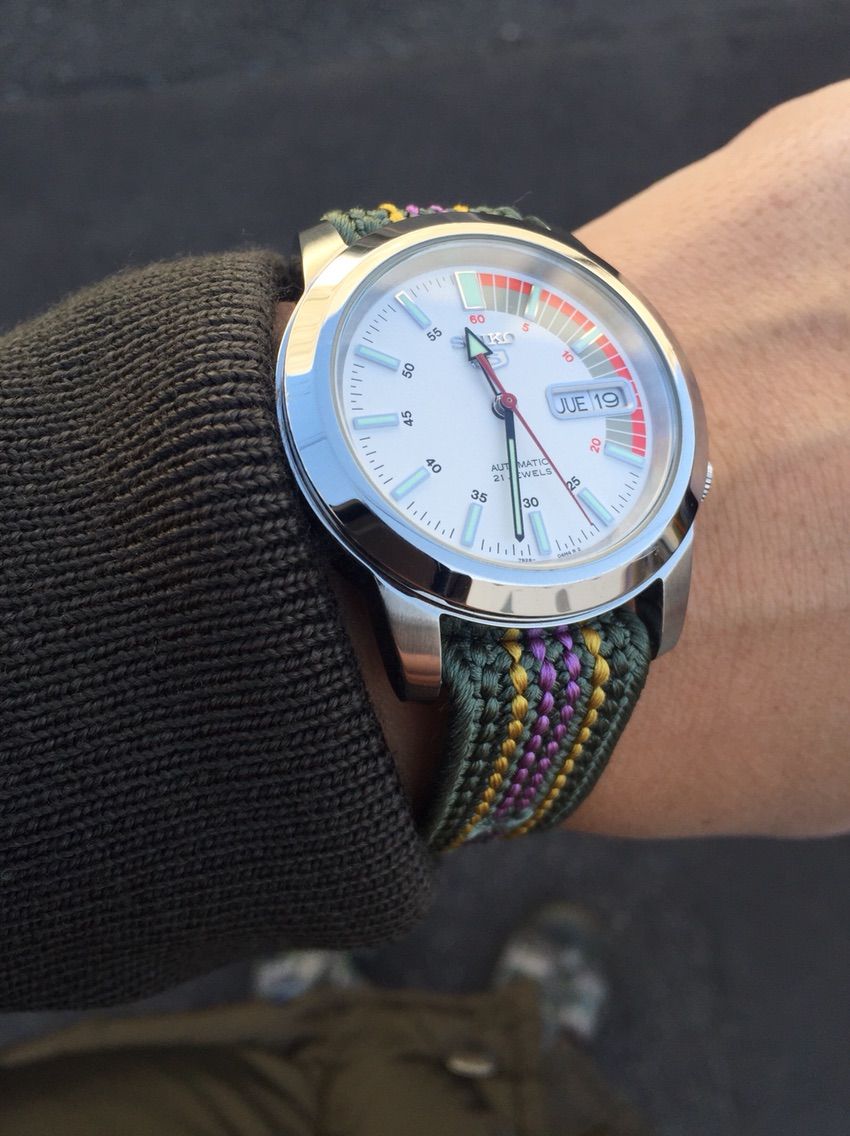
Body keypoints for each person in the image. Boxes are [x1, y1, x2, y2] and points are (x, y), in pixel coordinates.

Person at [0, 81, 847, 1133]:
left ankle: (335, 1012)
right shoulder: (416, 632)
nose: (506, 402)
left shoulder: (646, 511)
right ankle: (500, 1040)